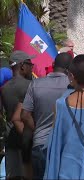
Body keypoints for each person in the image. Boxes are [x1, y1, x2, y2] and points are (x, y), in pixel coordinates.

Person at [19, 53, 72, 179]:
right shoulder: (73, 86)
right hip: (66, 144)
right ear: (70, 68)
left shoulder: (35, 84)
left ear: (54, 65)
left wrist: (37, 129)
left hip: (40, 142)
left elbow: (25, 115)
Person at [1, 50, 34, 179]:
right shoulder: (31, 86)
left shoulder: (4, 88)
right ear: (22, 66)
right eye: (30, 64)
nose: (32, 67)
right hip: (28, 141)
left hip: (10, 140)